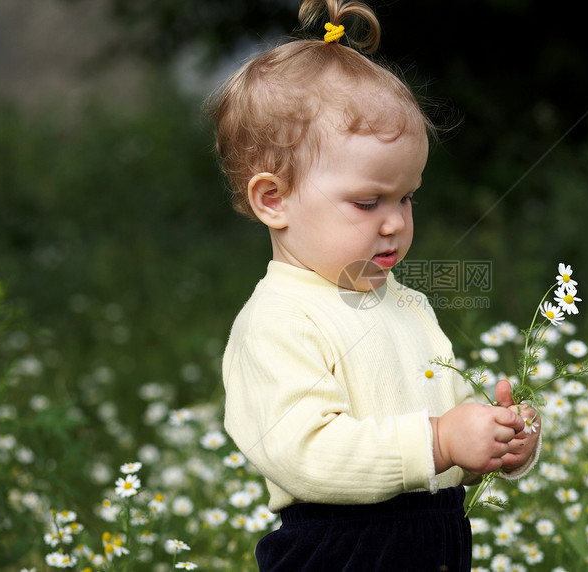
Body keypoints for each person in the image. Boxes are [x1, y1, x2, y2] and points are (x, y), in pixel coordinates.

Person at [210, 1, 540, 569]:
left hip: (433, 540)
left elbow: (443, 414)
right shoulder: (279, 322)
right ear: (274, 199)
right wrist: (437, 441)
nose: (394, 221)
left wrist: (494, 438)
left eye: (407, 197)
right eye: (368, 202)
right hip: (338, 549)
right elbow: (305, 453)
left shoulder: (405, 303)